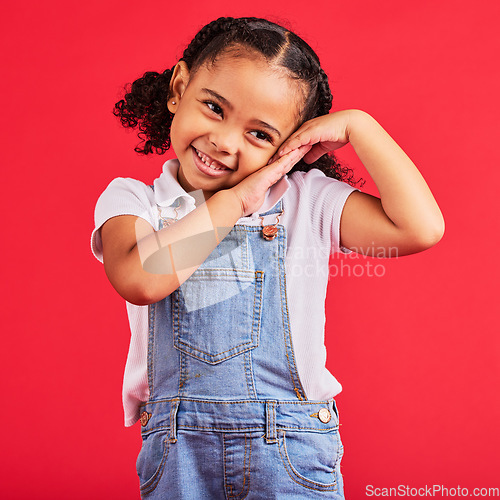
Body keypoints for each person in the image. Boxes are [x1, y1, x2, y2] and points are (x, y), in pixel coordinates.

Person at [91, 16, 444, 499]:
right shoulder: (135, 202)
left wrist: (362, 127)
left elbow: (419, 228)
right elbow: (142, 277)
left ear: (292, 147)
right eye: (214, 107)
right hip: (180, 453)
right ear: (178, 87)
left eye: (260, 135)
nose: (224, 141)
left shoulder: (306, 201)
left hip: (292, 448)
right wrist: (235, 200)